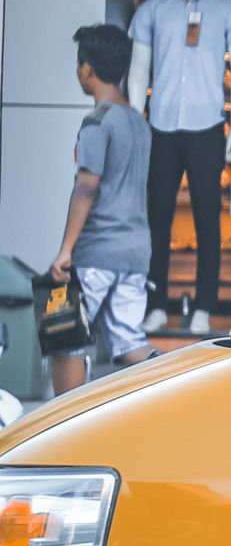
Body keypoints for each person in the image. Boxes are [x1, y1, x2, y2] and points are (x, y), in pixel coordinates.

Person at [48, 25, 155, 394]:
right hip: (136, 252)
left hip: (98, 248)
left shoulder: (97, 122)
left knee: (63, 332)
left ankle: (62, 428)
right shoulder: (139, 124)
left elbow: (86, 188)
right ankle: (163, 395)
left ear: (86, 70)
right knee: (129, 341)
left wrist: (65, 252)